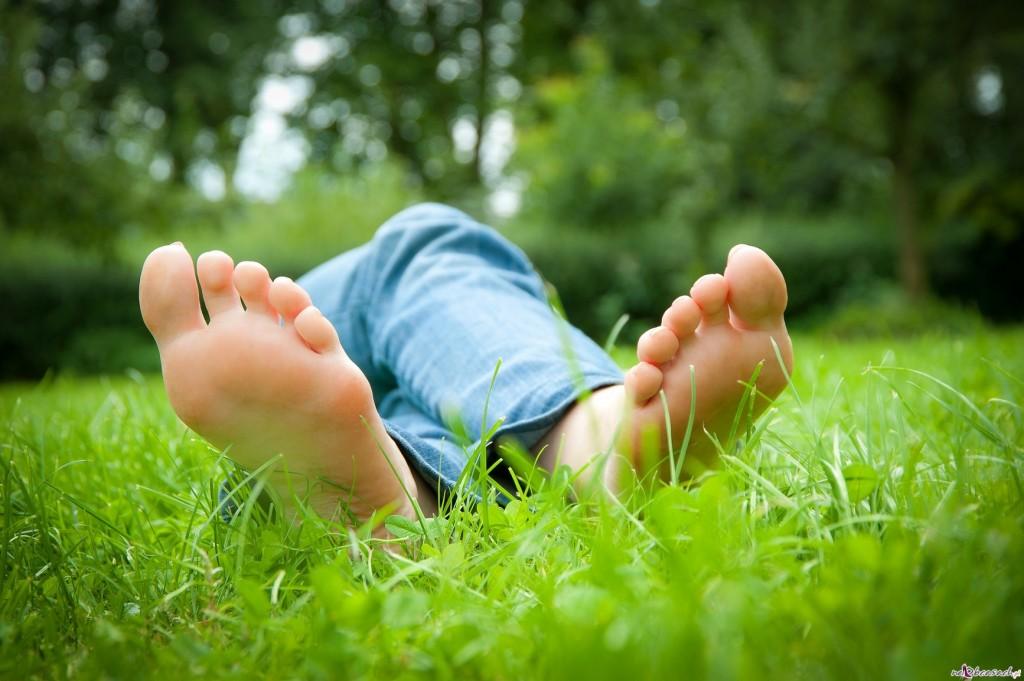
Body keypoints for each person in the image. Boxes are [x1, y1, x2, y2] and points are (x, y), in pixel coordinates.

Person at [139, 203, 792, 533]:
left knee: (346, 380)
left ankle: (397, 500)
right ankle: (589, 437)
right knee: (428, 246)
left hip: (300, 322)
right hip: (338, 318)